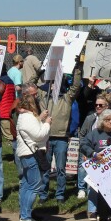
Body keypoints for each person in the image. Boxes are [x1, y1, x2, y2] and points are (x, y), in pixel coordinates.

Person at [43, 73, 82, 203]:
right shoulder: (44, 98)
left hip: (61, 138)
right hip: (46, 137)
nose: (54, 85)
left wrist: (78, 69)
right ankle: (43, 194)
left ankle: (60, 194)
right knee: (45, 167)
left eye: (57, 83)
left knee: (61, 168)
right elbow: (31, 85)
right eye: (52, 83)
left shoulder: (67, 98)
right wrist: (39, 72)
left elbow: (76, 86)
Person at [15, 93, 50, 221]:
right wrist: (46, 124)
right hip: (30, 154)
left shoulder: (24, 117)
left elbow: (35, 131)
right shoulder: (27, 117)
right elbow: (39, 134)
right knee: (34, 185)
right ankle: (25, 217)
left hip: (26, 154)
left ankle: (25, 213)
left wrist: (40, 120)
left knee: (26, 184)